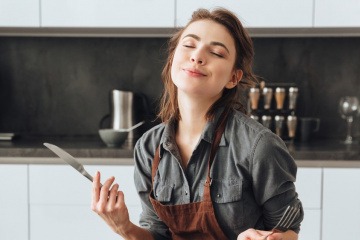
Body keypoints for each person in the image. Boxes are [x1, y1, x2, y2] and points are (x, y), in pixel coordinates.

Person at [91, 7, 304, 240]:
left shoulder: (259, 147)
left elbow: (288, 230)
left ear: (233, 78)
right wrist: (124, 227)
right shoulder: (148, 148)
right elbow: (157, 234)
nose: (197, 56)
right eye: (189, 45)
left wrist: (273, 238)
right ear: (173, 58)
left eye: (216, 53)